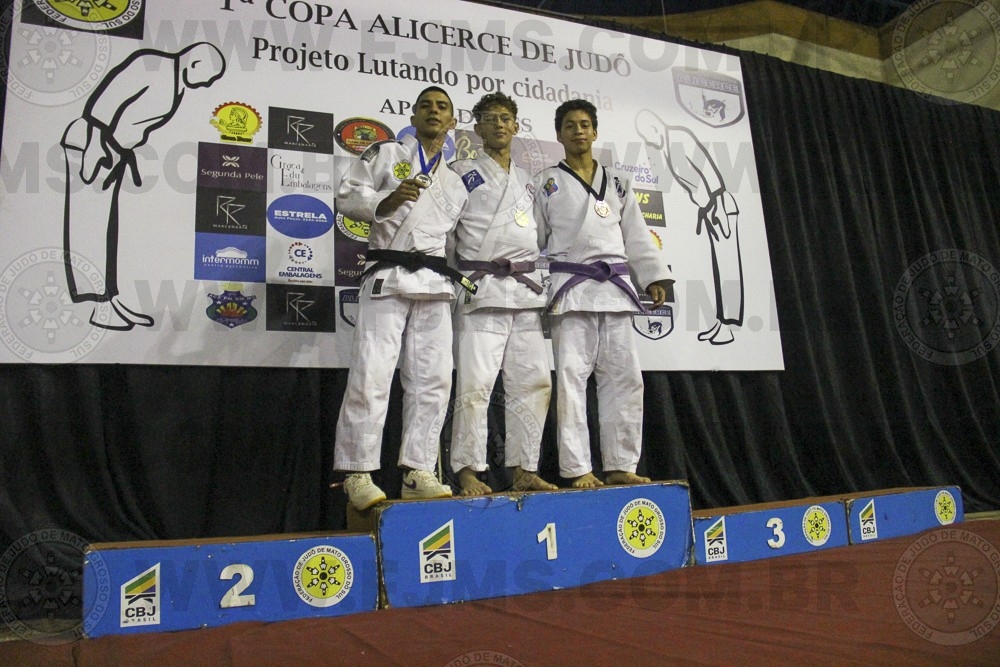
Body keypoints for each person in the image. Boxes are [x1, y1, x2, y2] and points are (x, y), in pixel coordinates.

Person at [334, 86, 471, 510]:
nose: (434, 111)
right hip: (388, 275)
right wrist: (385, 200)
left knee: (434, 380)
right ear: (412, 117)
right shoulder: (386, 153)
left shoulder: (455, 182)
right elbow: (346, 196)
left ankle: (418, 469)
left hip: (434, 283)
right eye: (425, 105)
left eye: (442, 107)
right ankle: (357, 471)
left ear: (452, 122)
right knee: (371, 373)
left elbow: (452, 243)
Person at [533, 99, 675, 488]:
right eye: (570, 125)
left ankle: (620, 464)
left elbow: (637, 235)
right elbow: (533, 238)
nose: (578, 131)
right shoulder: (546, 182)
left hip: (614, 289)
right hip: (571, 289)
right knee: (571, 381)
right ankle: (577, 467)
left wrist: (653, 277)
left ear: (595, 131)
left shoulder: (619, 181)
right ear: (559, 134)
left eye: (584, 125)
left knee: (625, 379)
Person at [61, 43, 226, 331]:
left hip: (111, 152)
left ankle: (109, 299)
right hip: (91, 146)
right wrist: (95, 147)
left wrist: (126, 154)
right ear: (195, 63)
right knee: (90, 225)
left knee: (107, 225)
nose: (207, 84)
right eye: (208, 77)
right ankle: (100, 305)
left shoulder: (176, 83)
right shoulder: (151, 65)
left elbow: (135, 124)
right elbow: (105, 102)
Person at [447, 92, 557, 496]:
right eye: (490, 118)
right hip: (481, 289)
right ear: (477, 127)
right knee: (474, 385)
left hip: (524, 293)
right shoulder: (460, 172)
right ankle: (468, 470)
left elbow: (538, 235)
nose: (498, 124)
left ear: (516, 126)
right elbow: (447, 234)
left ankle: (524, 469)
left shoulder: (529, 180)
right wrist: (454, 281)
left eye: (505, 118)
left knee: (535, 383)